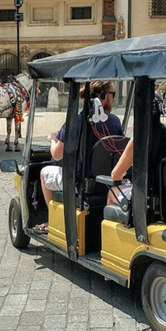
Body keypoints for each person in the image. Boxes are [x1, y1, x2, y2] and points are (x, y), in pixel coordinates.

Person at [37, 81, 122, 233]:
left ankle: (55, 222)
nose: (113, 99)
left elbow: (56, 154)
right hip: (106, 179)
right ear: (102, 96)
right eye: (112, 94)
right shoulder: (115, 121)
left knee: (44, 173)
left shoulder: (75, 121)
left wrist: (52, 139)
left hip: (81, 181)